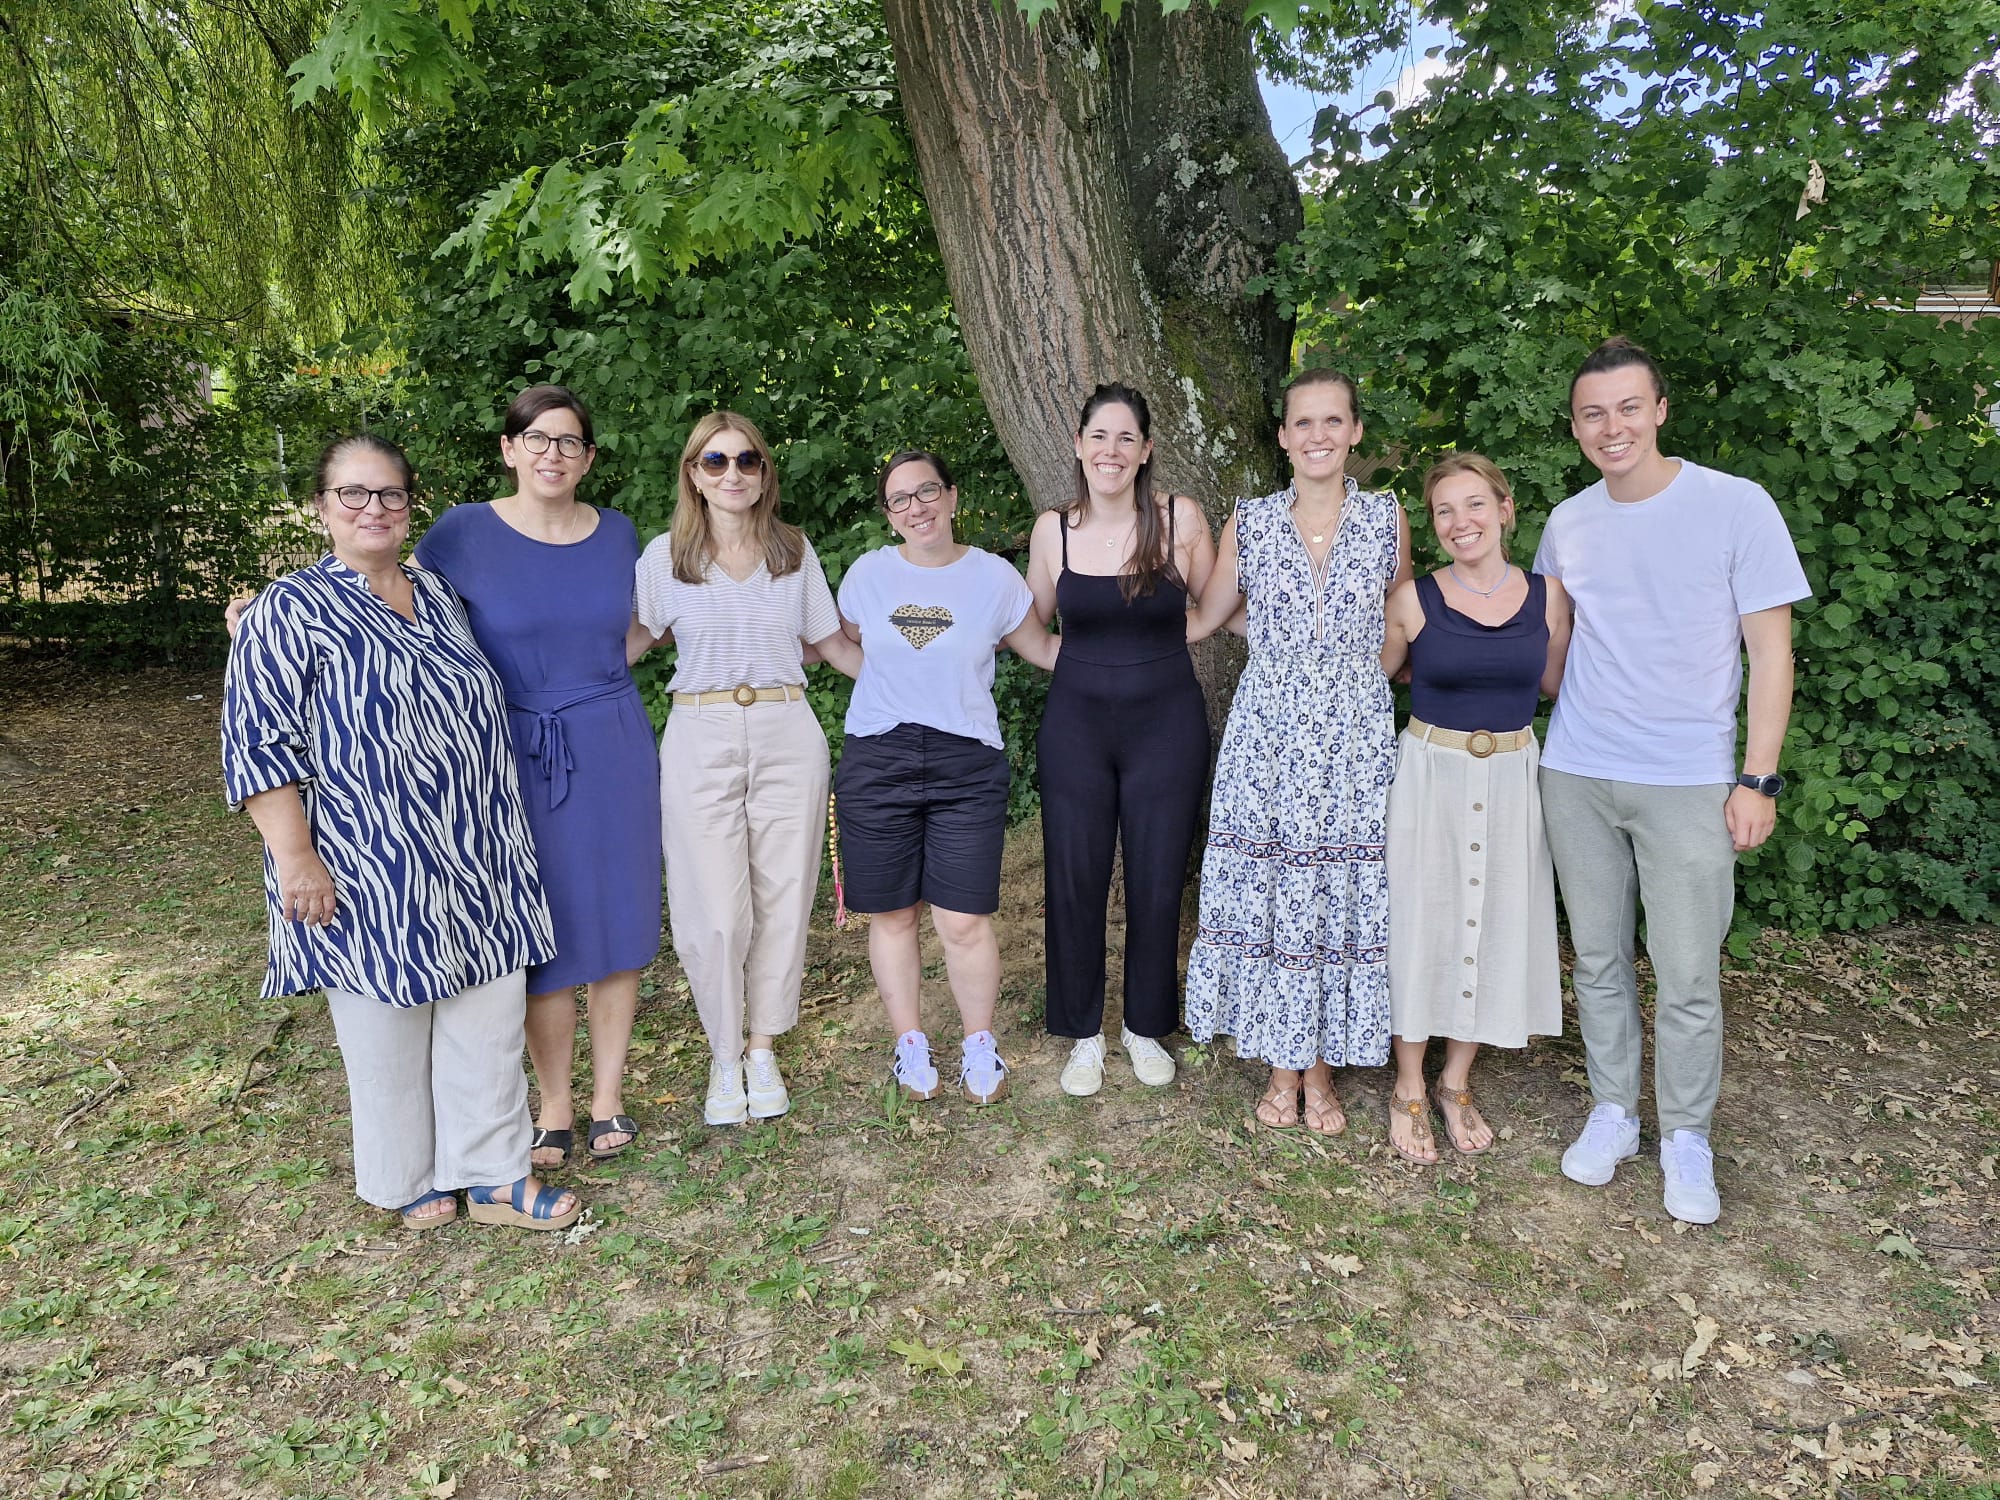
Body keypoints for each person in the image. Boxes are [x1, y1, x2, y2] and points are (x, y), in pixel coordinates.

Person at [221, 434, 580, 1232]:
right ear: (321, 508)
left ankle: (493, 1173)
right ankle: (406, 1175)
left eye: (389, 493)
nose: (373, 508)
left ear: (409, 505)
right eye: (353, 493)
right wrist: (296, 858)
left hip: (478, 844)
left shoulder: (439, 593)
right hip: (366, 853)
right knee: (385, 1021)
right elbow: (258, 745)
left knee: (487, 1012)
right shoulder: (289, 610)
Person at [1536, 336, 1808, 1224]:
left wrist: (1758, 779)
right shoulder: (1568, 523)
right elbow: (1553, 652)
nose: (1610, 427)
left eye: (1627, 407)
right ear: (1576, 428)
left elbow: (1772, 654)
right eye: (1592, 414)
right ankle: (1614, 1111)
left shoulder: (1735, 506)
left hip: (1689, 780)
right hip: (1577, 772)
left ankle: (1687, 1135)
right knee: (1599, 958)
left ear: (1659, 410)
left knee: (1688, 973)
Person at [412, 386, 662, 1167]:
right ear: (509, 449)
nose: (553, 453)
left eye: (569, 441)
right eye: (537, 439)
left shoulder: (620, 534)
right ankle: (554, 1103)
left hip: (612, 741)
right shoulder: (462, 533)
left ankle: (608, 1097)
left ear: (588, 458)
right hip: (514, 746)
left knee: (618, 922)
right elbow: (388, 602)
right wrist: (276, 613)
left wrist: (595, 680)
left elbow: (645, 626)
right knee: (542, 925)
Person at [1184, 368, 1411, 1135]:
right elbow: (1210, 614)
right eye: (1303, 422)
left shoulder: (1385, 516)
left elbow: (1400, 617)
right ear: (1282, 437)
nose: (1318, 435)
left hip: (1353, 734)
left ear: (1355, 431)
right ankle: (1294, 1068)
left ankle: (1315, 1063)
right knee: (1280, 888)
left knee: (1336, 890)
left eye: (1332, 420)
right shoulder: (1249, 521)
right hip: (1270, 734)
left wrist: (1358, 683)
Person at [632, 413, 862, 1127]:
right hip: (698, 732)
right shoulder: (664, 558)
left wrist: (930, 677)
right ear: (693, 475)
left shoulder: (793, 551)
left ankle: (762, 1048)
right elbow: (628, 643)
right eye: (715, 461)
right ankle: (724, 1054)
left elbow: (834, 646)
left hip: (787, 726)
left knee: (783, 898)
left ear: (764, 473)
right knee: (712, 910)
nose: (732, 473)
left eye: (747, 460)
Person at [835, 450, 1060, 1105]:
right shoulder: (868, 575)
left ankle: (978, 1044)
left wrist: (1130, 654)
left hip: (967, 763)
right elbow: (842, 643)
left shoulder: (994, 578)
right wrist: (895, 687)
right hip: (878, 758)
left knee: (963, 919)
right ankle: (909, 1044)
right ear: (889, 514)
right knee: (894, 915)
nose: (917, 508)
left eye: (927, 491)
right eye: (901, 499)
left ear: (953, 496)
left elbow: (1043, 648)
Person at [1377, 454, 1572, 1165]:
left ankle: (1454, 1081)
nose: (1461, 522)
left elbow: (1556, 684)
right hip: (1430, 775)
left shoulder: (1549, 597)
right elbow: (1378, 676)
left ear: (1505, 508)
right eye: (1444, 512)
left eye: (1474, 505)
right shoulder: (1412, 600)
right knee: (1421, 916)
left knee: (1493, 917)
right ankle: (1407, 1083)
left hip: (1514, 774)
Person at [1025, 383, 1215, 1097]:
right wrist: (1077, 662)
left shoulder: (1178, 518)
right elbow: (1029, 623)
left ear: (1146, 449)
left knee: (1157, 876)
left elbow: (1217, 607)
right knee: (1075, 875)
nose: (1112, 450)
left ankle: (1143, 1026)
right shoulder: (1053, 530)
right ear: (1078, 445)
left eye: (1126, 438)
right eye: (1099, 436)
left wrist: (1157, 651)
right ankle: (1084, 1033)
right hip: (1076, 727)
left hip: (1167, 725)